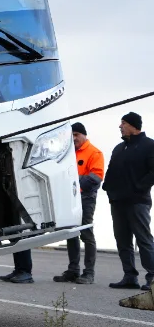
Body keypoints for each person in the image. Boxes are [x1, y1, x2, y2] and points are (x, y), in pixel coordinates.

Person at [103, 112, 154, 291]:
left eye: (123, 123)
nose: (120, 126)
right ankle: (130, 276)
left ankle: (152, 278)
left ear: (133, 125)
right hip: (117, 201)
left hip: (138, 201)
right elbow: (110, 170)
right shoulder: (119, 148)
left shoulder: (149, 145)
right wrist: (107, 188)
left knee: (144, 239)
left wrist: (138, 188)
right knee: (122, 240)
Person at [54, 122, 104, 284]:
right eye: (72, 134)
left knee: (86, 234)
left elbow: (95, 179)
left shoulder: (94, 153)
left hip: (86, 199)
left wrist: (72, 181)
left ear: (84, 135)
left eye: (76, 134)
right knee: (71, 233)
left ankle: (89, 273)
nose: (73, 138)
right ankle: (73, 270)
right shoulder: (68, 153)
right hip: (69, 199)